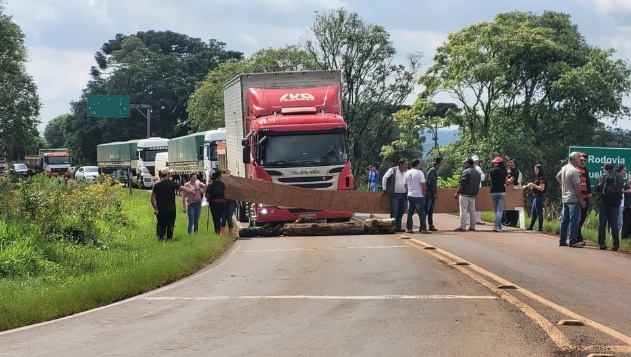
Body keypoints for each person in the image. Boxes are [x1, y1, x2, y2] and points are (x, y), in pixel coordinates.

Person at [151, 167, 195, 240]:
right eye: (169, 173)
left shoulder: (157, 185)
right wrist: (192, 191)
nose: (170, 174)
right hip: (171, 209)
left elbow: (152, 198)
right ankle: (169, 239)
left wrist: (155, 209)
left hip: (161, 209)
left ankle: (161, 239)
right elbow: (183, 188)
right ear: (167, 174)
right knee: (170, 225)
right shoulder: (172, 183)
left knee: (161, 225)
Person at [556, 152, 586, 247]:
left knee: (564, 220)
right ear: (573, 160)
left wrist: (564, 186)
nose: (579, 160)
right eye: (578, 158)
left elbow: (558, 177)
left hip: (565, 198)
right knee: (574, 220)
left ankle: (562, 240)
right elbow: (577, 187)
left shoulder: (564, 168)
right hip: (573, 199)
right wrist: (582, 199)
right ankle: (573, 241)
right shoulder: (574, 171)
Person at [594, 162, 623, 251]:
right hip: (615, 204)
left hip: (603, 203)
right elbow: (620, 187)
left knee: (602, 223)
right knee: (614, 223)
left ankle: (602, 243)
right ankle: (616, 244)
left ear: (605, 168)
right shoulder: (619, 176)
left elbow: (596, 188)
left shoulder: (602, 176)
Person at [455, 157, 481, 232]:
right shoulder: (477, 173)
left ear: (468, 163)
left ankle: (463, 226)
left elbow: (462, 184)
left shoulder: (466, 171)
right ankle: (472, 226)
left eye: (465, 163)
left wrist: (457, 192)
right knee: (472, 211)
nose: (464, 164)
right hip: (473, 194)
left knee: (464, 210)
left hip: (465, 194)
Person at [382, 158, 409, 232]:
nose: (407, 166)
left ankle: (398, 226)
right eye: (405, 164)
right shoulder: (392, 170)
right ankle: (392, 227)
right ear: (401, 165)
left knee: (402, 211)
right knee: (394, 211)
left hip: (404, 195)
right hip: (395, 195)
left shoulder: (407, 172)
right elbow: (385, 178)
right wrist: (384, 188)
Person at [404, 159, 428, 234]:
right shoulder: (420, 172)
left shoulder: (407, 172)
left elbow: (405, 184)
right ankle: (423, 228)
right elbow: (423, 184)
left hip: (410, 195)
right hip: (418, 195)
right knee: (421, 213)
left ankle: (409, 228)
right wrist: (424, 193)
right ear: (417, 164)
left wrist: (409, 191)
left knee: (410, 213)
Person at [576, 153, 592, 246]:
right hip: (577, 198)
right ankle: (577, 237)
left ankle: (578, 235)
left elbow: (587, 183)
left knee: (582, 218)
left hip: (585, 198)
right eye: (581, 160)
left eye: (584, 161)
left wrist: (589, 193)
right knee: (577, 218)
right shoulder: (575, 170)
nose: (582, 162)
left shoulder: (586, 171)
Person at [488, 156, 508, 232]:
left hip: (493, 191)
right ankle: (498, 225)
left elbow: (490, 180)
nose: (494, 163)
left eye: (495, 162)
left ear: (498, 163)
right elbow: (506, 182)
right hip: (502, 191)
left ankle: (497, 225)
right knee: (499, 210)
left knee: (497, 210)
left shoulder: (491, 171)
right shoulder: (504, 172)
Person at [205, 170, 227, 235]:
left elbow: (206, 195)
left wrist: (208, 197)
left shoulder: (210, 185)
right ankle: (220, 230)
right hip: (222, 203)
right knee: (220, 217)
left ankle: (217, 231)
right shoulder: (222, 184)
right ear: (218, 176)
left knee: (215, 217)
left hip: (214, 203)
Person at [526, 164, 547, 232]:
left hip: (540, 196)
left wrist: (532, 184)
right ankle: (531, 226)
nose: (535, 171)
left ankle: (540, 228)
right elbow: (537, 187)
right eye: (534, 169)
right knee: (533, 212)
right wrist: (532, 186)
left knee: (539, 212)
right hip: (536, 196)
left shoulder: (542, 178)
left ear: (540, 170)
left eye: (537, 169)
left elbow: (541, 188)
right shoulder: (538, 178)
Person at [425, 157, 441, 231]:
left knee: (430, 210)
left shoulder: (430, 169)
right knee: (427, 210)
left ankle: (430, 224)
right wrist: (434, 193)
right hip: (430, 192)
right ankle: (423, 225)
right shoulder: (433, 170)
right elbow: (432, 182)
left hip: (429, 192)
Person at [471, 155, 486, 225]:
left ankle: (478, 219)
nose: (476, 162)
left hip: (478, 187)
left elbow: (483, 177)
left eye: (476, 161)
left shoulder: (478, 168)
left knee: (478, 203)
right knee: (470, 204)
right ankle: (469, 219)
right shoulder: (469, 168)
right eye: (474, 161)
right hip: (470, 189)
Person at [222, 169, 236, 235]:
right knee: (223, 217)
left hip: (231, 202)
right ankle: (222, 232)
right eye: (226, 174)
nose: (228, 175)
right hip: (223, 202)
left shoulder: (232, 182)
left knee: (229, 217)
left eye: (229, 173)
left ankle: (231, 232)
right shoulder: (221, 182)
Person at [622, 175, 631, 239]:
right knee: (626, 223)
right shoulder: (625, 185)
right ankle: (624, 238)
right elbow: (620, 192)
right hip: (626, 207)